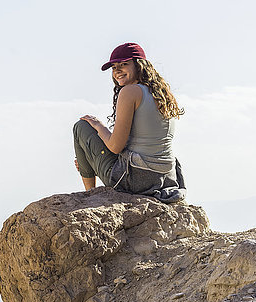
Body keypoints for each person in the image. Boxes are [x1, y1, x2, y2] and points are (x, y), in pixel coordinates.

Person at [73, 42, 186, 203]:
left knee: (81, 127)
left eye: (124, 64)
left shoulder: (130, 92)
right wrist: (91, 159)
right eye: (113, 67)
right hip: (167, 178)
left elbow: (115, 147)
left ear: (139, 65)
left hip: (136, 180)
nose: (117, 70)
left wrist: (98, 125)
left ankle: (90, 196)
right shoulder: (162, 94)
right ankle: (90, 178)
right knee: (91, 150)